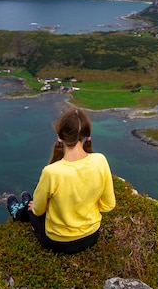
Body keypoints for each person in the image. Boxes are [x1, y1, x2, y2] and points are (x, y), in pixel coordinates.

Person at [7, 108, 116, 254]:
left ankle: (18, 212)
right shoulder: (100, 161)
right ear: (85, 134)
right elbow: (109, 205)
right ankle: (24, 205)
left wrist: (37, 206)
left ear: (60, 136)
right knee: (37, 204)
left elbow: (39, 210)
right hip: (91, 236)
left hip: (59, 242)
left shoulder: (52, 172)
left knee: (32, 209)